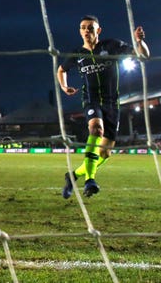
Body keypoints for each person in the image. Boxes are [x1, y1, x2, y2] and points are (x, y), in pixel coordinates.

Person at [58, 15, 149, 198]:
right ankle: (90, 180)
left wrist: (139, 41)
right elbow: (61, 70)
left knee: (105, 153)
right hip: (91, 101)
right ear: (79, 31)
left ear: (98, 30)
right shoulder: (77, 54)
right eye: (83, 27)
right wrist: (64, 86)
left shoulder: (111, 46)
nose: (86, 31)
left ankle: (74, 175)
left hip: (112, 104)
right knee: (96, 129)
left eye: (90, 28)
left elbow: (143, 56)